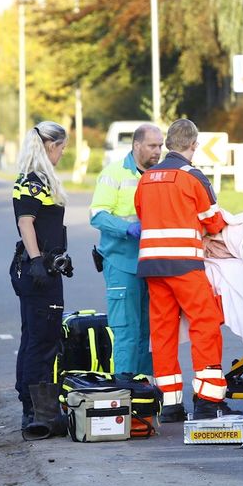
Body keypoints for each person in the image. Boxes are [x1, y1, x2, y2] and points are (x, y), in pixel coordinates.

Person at [135, 118, 234, 420]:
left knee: (162, 333)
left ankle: (170, 404)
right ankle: (207, 400)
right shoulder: (193, 177)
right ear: (194, 145)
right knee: (204, 326)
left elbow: (141, 214)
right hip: (185, 266)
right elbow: (214, 223)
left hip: (153, 266)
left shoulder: (147, 177)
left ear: (167, 145)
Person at [89, 123, 160, 388]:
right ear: (137, 145)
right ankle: (124, 392)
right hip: (122, 262)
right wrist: (127, 228)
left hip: (152, 264)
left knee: (149, 334)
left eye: (160, 146)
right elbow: (97, 215)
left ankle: (145, 394)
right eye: (152, 146)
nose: (158, 151)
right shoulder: (114, 173)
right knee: (127, 331)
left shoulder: (159, 174)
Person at [10, 121, 71, 429]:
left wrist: (60, 256)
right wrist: (37, 261)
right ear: (50, 147)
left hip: (45, 266)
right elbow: (26, 222)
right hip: (38, 272)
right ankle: (39, 413)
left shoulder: (38, 178)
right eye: (62, 147)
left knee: (33, 337)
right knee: (43, 341)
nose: (63, 153)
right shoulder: (34, 181)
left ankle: (32, 408)